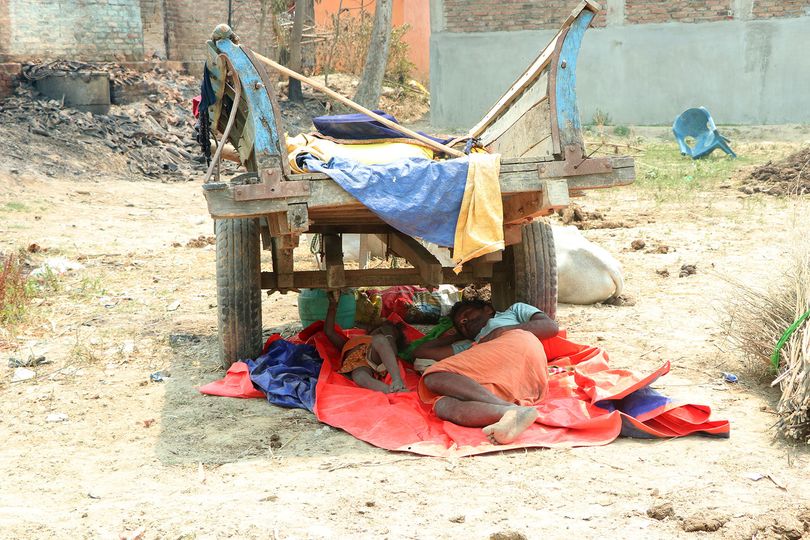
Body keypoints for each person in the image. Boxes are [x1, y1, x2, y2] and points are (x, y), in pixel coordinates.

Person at [413, 299, 559, 444]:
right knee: (442, 405)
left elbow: (551, 326)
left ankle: (509, 409)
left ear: (487, 309)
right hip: (517, 383)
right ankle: (510, 412)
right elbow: (420, 351)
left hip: (518, 345)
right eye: (460, 325)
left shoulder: (513, 311)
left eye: (467, 314)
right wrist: (458, 335)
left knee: (434, 376)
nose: (463, 321)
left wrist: (503, 330)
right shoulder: (469, 344)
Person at [324, 292, 408, 394]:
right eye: (380, 329)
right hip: (359, 366)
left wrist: (389, 334)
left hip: (375, 356)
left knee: (380, 340)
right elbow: (329, 332)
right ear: (371, 330)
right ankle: (390, 390)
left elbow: (392, 352)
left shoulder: (382, 340)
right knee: (359, 376)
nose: (382, 331)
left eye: (385, 332)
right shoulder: (349, 343)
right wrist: (332, 306)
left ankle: (397, 380)